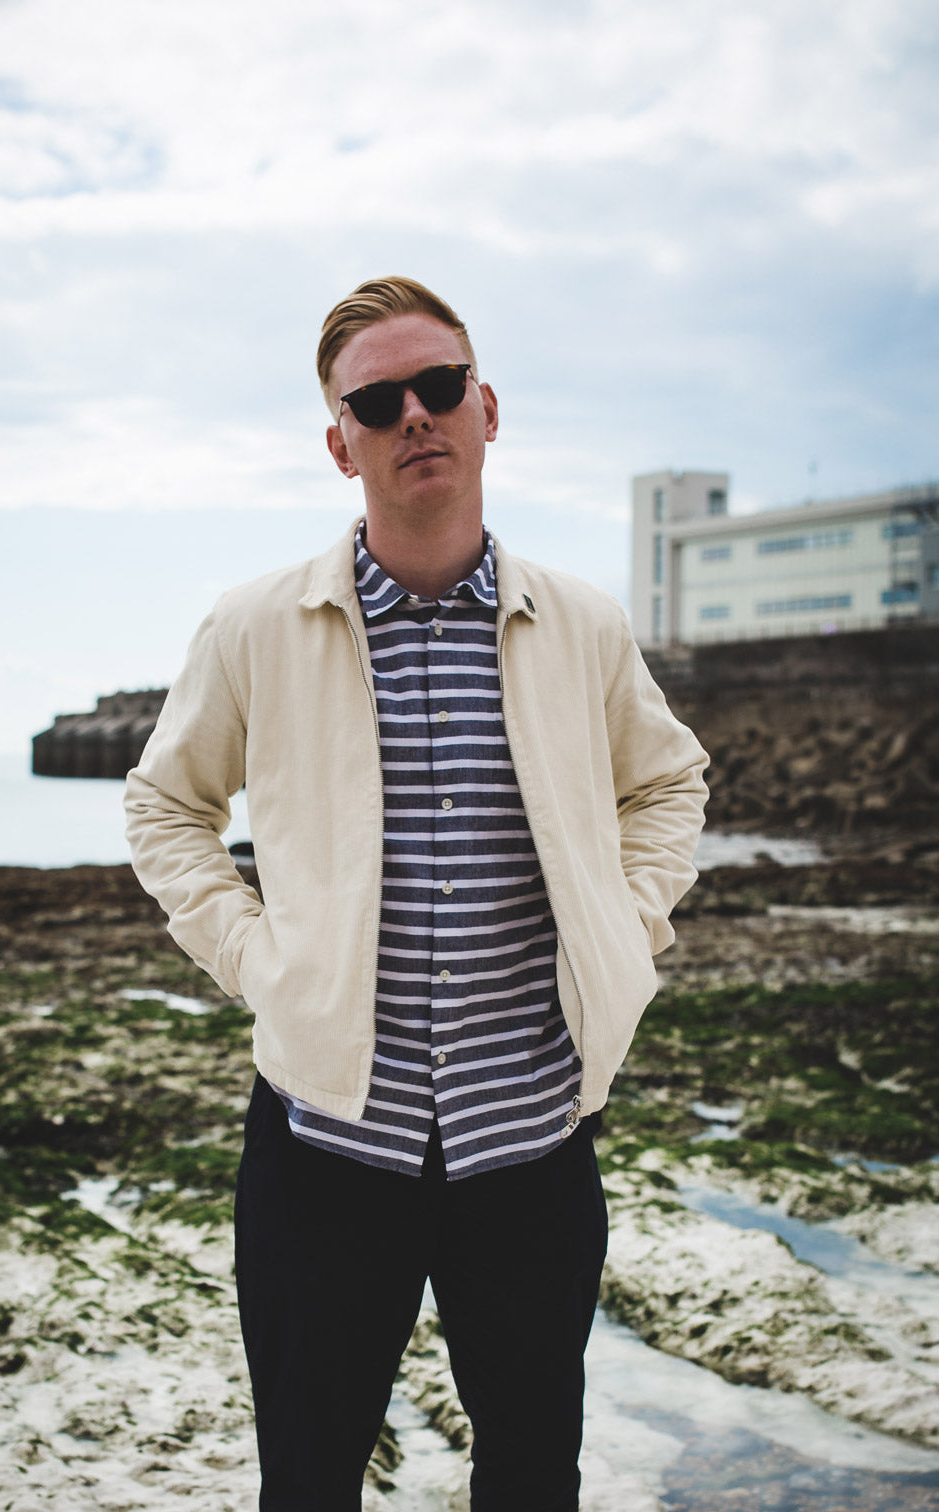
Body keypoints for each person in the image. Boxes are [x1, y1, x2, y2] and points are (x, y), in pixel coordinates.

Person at [124, 276, 708, 1511]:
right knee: (311, 1479)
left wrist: (630, 927)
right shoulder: (254, 628)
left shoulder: (585, 624)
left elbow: (667, 785)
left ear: (486, 408)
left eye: (438, 387)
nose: (414, 417)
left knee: (533, 1476)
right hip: (325, 1147)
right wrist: (256, 960)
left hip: (532, 1146)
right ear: (340, 441)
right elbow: (166, 806)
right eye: (376, 401)